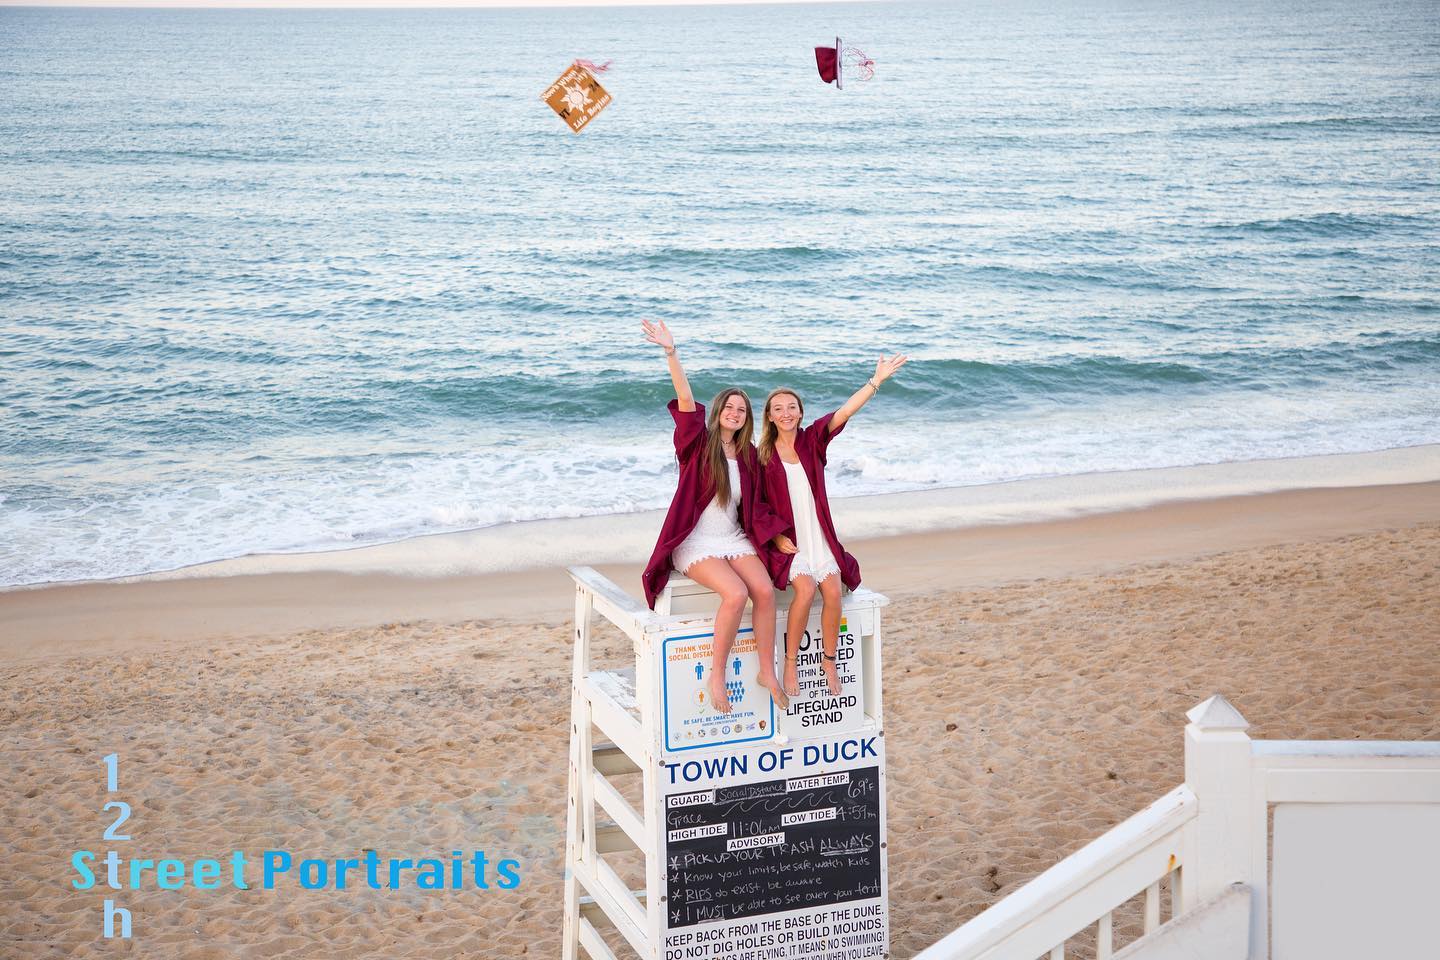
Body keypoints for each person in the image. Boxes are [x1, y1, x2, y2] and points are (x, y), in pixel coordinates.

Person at [640, 319, 791, 713]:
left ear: (747, 418)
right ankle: (717, 674)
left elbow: (758, 506)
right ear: (719, 410)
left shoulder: (747, 456)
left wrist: (777, 535)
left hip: (731, 538)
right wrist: (671, 352)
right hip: (697, 541)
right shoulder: (696, 444)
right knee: (736, 593)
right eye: (729, 407)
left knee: (764, 591)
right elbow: (685, 398)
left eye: (742, 410)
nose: (735, 413)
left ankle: (767, 671)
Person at [758, 355, 908, 698]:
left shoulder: (812, 440)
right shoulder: (761, 455)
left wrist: (875, 381)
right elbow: (756, 506)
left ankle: (829, 660)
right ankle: (791, 662)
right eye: (778, 409)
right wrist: (776, 536)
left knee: (833, 592)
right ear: (769, 416)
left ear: (800, 413)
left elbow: (844, 412)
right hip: (792, 541)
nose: (786, 413)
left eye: (792, 407)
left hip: (819, 535)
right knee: (805, 590)